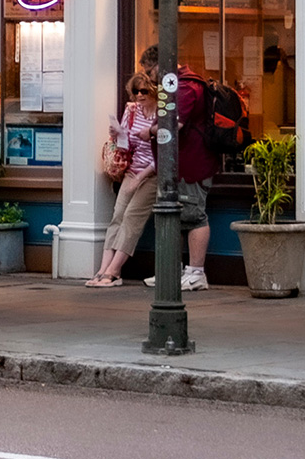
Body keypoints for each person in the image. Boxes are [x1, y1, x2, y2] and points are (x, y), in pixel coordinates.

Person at [139, 45, 214, 293]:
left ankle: (195, 273)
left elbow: (174, 125)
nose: (150, 79)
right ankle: (173, 271)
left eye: (151, 72)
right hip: (180, 164)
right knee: (179, 216)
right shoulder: (178, 85)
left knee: (194, 215)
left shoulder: (184, 86)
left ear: (161, 65)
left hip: (190, 164)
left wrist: (149, 130)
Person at [85, 75, 161, 288]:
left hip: (153, 173)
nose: (139, 96)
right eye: (135, 91)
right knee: (117, 216)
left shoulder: (163, 114)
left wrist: (141, 176)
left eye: (144, 91)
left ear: (154, 91)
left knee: (131, 218)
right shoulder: (132, 110)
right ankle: (103, 269)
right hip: (133, 169)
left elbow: (167, 151)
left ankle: (115, 270)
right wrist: (119, 134)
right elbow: (127, 146)